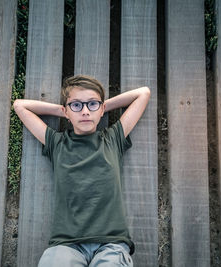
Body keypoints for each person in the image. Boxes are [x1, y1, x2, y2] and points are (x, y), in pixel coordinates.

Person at [13, 75, 150, 267]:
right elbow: (20, 106)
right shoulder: (57, 143)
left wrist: (96, 108)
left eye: (92, 104)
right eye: (77, 105)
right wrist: (67, 111)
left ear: (102, 108)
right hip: (67, 245)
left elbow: (143, 94)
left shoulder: (112, 139)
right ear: (66, 111)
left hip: (111, 244)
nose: (85, 111)